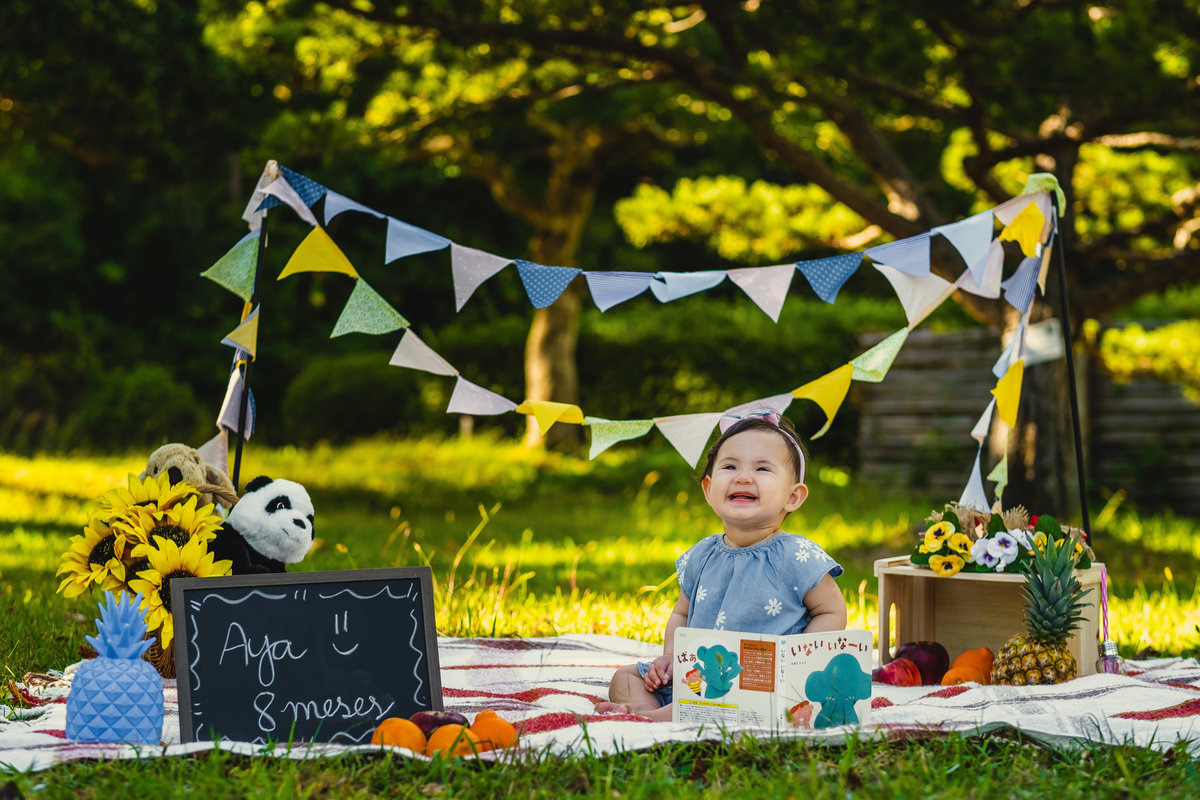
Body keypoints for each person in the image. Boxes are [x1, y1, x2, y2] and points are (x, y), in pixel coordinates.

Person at [595, 410, 848, 721]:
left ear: (793, 497)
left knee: (712, 697)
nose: (742, 476)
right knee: (626, 676)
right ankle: (649, 711)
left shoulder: (795, 555)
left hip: (758, 680)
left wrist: (796, 662)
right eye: (730, 466)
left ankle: (652, 718)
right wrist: (671, 657)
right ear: (708, 490)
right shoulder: (702, 554)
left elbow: (832, 610)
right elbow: (681, 613)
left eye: (762, 468)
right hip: (697, 672)